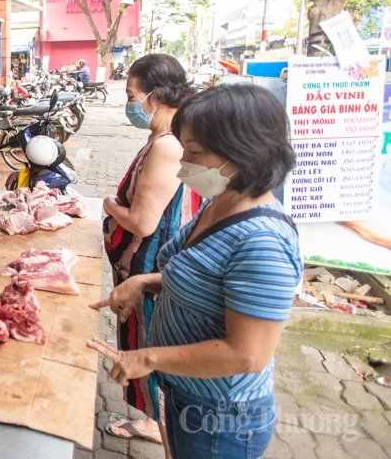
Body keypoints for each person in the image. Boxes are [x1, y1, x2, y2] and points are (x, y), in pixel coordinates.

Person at [90, 83, 301, 459]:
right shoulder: (218, 203)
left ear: (242, 152)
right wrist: (144, 281)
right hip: (186, 394)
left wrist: (148, 357)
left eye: (196, 152)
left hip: (220, 417)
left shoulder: (263, 242)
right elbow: (201, 278)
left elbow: (246, 354)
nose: (183, 161)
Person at [101, 53, 200, 453]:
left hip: (149, 266)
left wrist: (108, 206)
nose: (129, 104)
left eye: (131, 94)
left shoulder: (167, 146)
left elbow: (142, 222)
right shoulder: (161, 137)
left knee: (147, 346)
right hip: (139, 266)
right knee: (139, 341)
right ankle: (149, 422)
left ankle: (159, 429)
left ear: (156, 96)